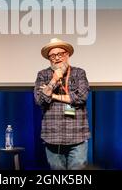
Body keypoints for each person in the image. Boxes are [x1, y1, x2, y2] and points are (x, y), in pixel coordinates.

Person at [34, 38, 90, 170]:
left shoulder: (79, 73)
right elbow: (39, 100)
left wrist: (52, 95)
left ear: (67, 55)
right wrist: (53, 80)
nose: (57, 57)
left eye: (61, 54)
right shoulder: (43, 75)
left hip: (77, 135)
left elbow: (81, 97)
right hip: (52, 136)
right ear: (49, 58)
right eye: (53, 55)